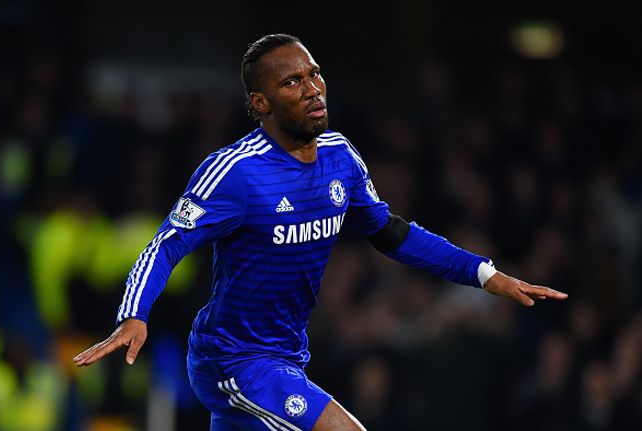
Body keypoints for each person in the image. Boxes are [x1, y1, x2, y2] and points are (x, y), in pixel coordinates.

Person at [74, 34, 568, 430]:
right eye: (292, 82)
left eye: (314, 74)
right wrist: (133, 315)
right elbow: (167, 243)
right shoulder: (235, 173)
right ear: (260, 102)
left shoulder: (340, 156)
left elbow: (392, 234)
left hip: (287, 354)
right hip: (234, 359)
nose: (312, 88)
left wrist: (482, 273)